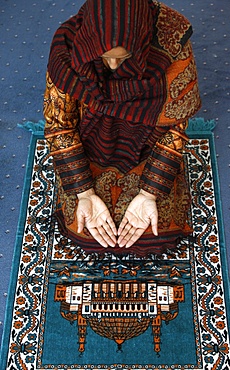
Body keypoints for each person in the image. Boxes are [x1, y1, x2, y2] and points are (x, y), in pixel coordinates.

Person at [43, 0, 201, 257]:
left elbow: (176, 123)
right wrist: (84, 191)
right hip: (92, 143)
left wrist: (149, 193)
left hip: (149, 143)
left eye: (125, 57)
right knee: (87, 230)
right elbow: (59, 123)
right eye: (105, 57)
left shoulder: (172, 40)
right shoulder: (67, 46)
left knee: (154, 229)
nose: (114, 67)